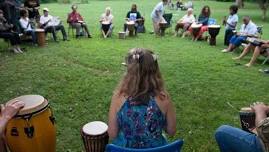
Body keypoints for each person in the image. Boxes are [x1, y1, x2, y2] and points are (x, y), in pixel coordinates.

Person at [108, 48, 176, 148]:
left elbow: (112, 134)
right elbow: (171, 131)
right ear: (155, 71)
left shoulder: (118, 96)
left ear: (129, 72)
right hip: (156, 149)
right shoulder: (163, 97)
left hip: (125, 148)